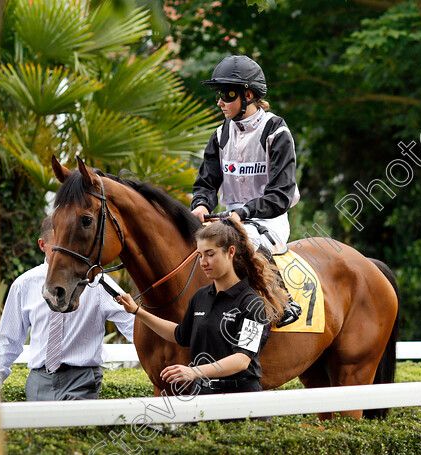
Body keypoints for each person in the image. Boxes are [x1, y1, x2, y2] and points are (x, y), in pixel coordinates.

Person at [189, 54, 302, 327]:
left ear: (248, 95)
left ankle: (282, 300)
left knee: (245, 237)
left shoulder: (276, 131)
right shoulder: (220, 135)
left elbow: (280, 195)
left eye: (226, 95)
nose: (219, 102)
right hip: (228, 219)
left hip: (267, 220)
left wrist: (244, 212)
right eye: (219, 95)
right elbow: (206, 183)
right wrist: (201, 205)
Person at [115, 217, 280, 396]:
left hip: (240, 400)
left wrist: (193, 372)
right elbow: (179, 334)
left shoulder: (252, 303)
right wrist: (137, 311)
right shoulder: (200, 296)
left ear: (230, 252)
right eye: (200, 255)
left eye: (210, 254)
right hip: (202, 395)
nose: (203, 262)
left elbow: (242, 360)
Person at [0, 216, 135, 401]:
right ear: (42, 245)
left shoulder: (98, 283)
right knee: (37, 431)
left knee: (74, 429)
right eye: (58, 244)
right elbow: (7, 340)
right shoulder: (24, 284)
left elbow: (134, 325)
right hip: (38, 380)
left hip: (82, 379)